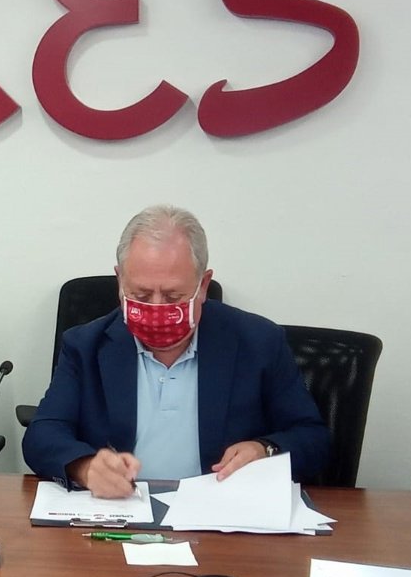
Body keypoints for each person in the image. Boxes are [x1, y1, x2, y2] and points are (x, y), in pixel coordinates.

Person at [23, 205, 329, 497]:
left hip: (219, 515)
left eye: (172, 296)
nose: (156, 309)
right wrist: (85, 467)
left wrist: (264, 449)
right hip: (123, 510)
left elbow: (313, 439)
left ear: (203, 285)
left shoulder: (258, 342)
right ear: (120, 282)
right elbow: (42, 435)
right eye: (141, 294)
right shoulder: (85, 345)